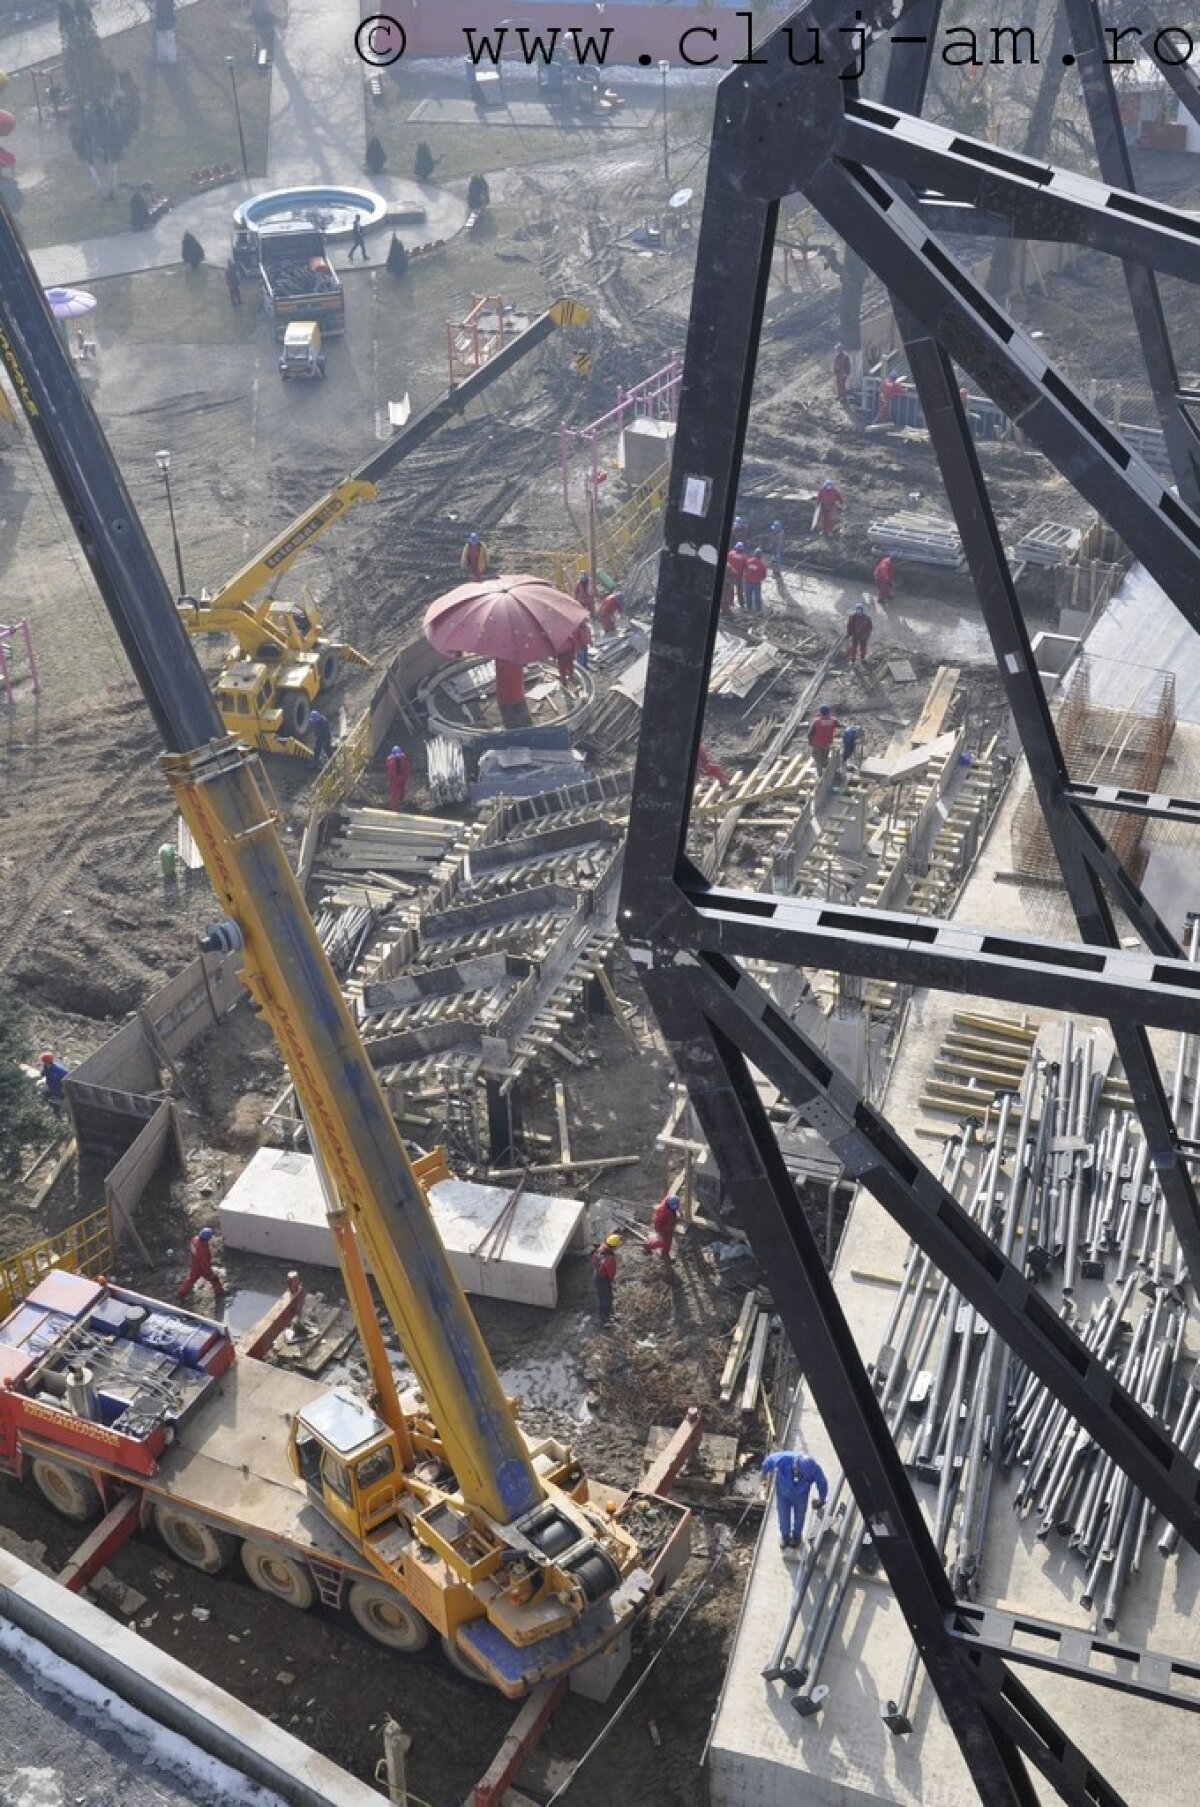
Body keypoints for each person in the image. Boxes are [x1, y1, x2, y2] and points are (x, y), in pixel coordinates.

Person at [761, 1447, 828, 1549]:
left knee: (799, 1517)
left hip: (801, 1496)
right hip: (783, 1494)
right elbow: (769, 1460)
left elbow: (822, 1483)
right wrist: (763, 1473)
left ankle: (796, 1537)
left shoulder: (814, 1469)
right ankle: (785, 1537)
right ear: (796, 1467)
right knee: (783, 1515)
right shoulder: (784, 1458)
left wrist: (821, 1500)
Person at [177, 1227, 226, 1304]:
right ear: (207, 1238)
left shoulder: (194, 1239)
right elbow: (204, 1263)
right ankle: (219, 1292)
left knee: (190, 1280)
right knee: (214, 1279)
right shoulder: (203, 1249)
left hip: (194, 1264)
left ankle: (180, 1294)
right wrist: (209, 1273)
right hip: (202, 1267)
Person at [592, 1233, 621, 1323]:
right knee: (607, 1298)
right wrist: (611, 1280)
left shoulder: (601, 1249)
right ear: (614, 1247)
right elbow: (611, 1273)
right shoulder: (610, 1259)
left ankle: (603, 1314)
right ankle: (604, 1318)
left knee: (602, 1296)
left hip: (597, 1273)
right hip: (603, 1278)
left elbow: (594, 1259)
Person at [645, 1192, 681, 1261]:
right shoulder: (663, 1212)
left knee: (668, 1242)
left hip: (669, 1226)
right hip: (665, 1229)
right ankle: (649, 1246)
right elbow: (657, 1222)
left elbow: (670, 1194)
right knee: (665, 1243)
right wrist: (658, 1231)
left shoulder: (671, 1198)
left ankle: (665, 1253)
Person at [807, 704, 840, 772]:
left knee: (818, 760)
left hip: (817, 744)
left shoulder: (816, 722)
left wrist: (810, 742)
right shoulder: (833, 721)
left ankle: (820, 775)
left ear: (820, 712)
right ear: (829, 712)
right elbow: (839, 725)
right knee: (825, 758)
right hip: (826, 744)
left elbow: (810, 734)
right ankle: (827, 773)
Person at [39, 1052, 68, 1118]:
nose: (42, 1063)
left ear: (46, 1062)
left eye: (43, 1062)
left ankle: (58, 1120)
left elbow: (66, 1083)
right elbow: (42, 1074)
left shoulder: (60, 1071)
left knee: (56, 1108)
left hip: (59, 1092)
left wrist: (63, 1093)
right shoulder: (46, 1066)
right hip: (51, 1089)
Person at [743, 546, 768, 615]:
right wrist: (758, 579)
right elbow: (764, 576)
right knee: (757, 597)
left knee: (748, 596)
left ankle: (749, 608)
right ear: (761, 556)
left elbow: (745, 570)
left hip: (748, 582)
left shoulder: (748, 561)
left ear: (754, 554)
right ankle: (758, 610)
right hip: (757, 583)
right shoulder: (762, 565)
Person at [386, 744, 410, 811]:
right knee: (394, 794)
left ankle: (401, 801)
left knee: (401, 791)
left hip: (402, 778)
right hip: (395, 779)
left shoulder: (403, 757)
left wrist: (406, 775)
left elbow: (407, 766)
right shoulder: (390, 760)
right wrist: (391, 780)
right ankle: (394, 808)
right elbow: (390, 772)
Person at [726, 540, 747, 608]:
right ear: (742, 549)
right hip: (739, 576)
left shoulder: (730, 553)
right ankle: (741, 604)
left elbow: (727, 563)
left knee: (730, 589)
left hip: (730, 575)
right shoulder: (743, 557)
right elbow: (745, 568)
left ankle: (730, 603)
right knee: (740, 591)